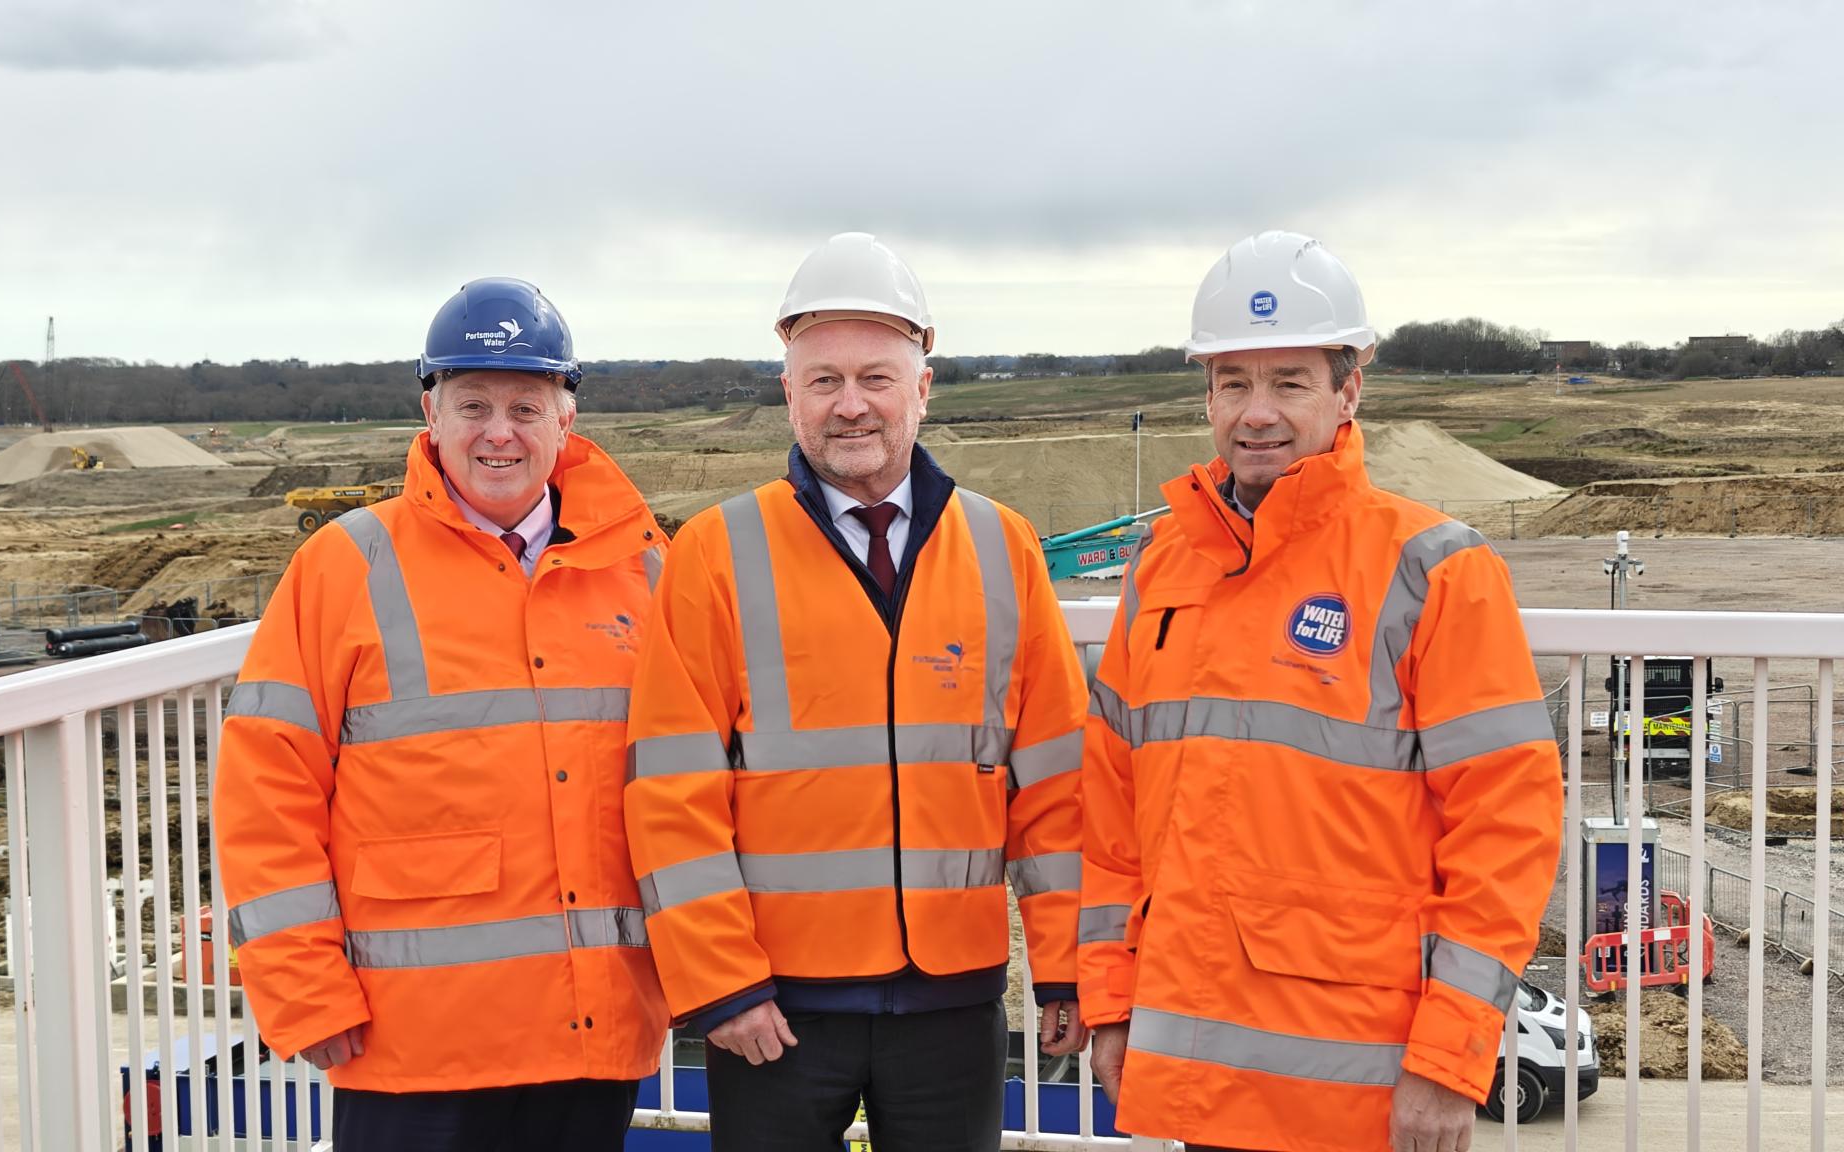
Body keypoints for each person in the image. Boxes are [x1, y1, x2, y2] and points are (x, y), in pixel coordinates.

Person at [1079, 231, 1563, 1152]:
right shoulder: (1163, 569)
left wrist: (1449, 1060)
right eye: (1233, 383)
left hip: (1362, 1094)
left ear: (1349, 392)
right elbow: (1110, 816)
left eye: (1290, 382)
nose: (1257, 413)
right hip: (1197, 1082)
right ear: (1207, 396)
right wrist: (1110, 1000)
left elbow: (1506, 826)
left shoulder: (1433, 569)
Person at [623, 232, 1088, 1151]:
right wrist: (720, 982)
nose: (850, 405)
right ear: (788, 393)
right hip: (774, 1009)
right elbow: (671, 792)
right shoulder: (716, 554)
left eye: (876, 378)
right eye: (824, 380)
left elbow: (1058, 789)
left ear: (924, 386)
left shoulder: (1004, 548)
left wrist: (1069, 970)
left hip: (951, 1000)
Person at [215, 278, 669, 1151]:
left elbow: (694, 784)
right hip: (411, 1043)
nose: (500, 433)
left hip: (591, 1034)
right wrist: (303, 990)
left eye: (525, 408)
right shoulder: (345, 567)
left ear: (566, 420)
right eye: (473, 406)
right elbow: (265, 792)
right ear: (431, 414)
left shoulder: (643, 570)